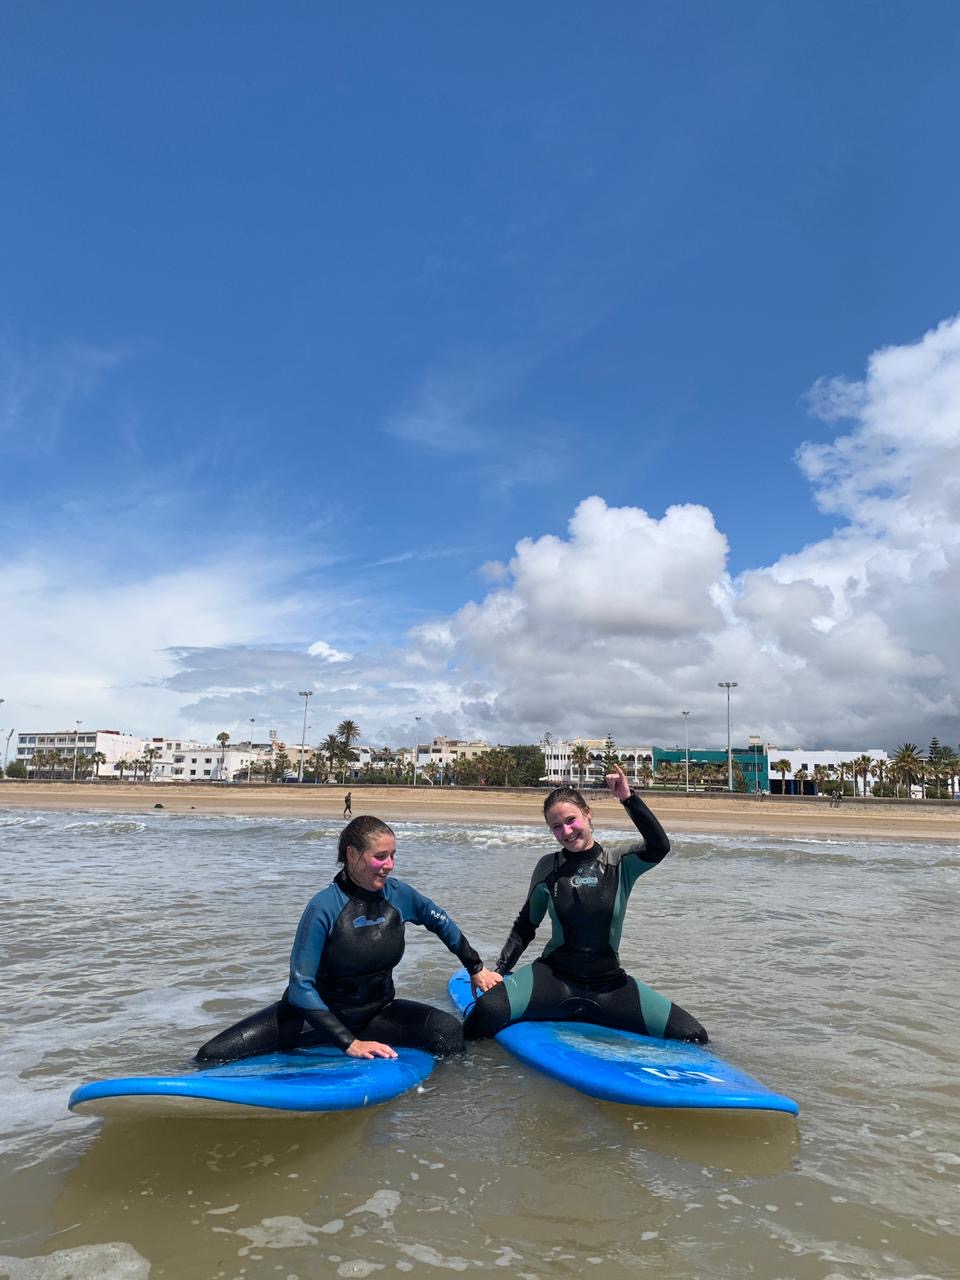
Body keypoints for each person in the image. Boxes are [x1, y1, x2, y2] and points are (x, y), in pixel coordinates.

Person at [197, 814, 500, 1062]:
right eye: (380, 856)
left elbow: (442, 922)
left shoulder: (399, 895)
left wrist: (475, 968)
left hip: (377, 1013)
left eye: (393, 856)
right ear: (353, 856)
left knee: (448, 1033)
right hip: (313, 1019)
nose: (390, 865)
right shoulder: (323, 907)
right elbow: (301, 988)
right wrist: (350, 1044)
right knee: (212, 1055)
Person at [463, 764, 707, 1044]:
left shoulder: (620, 863)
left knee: (693, 1035)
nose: (566, 831)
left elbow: (659, 846)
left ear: (587, 815)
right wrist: (500, 971)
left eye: (571, 820)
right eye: (556, 827)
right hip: (554, 979)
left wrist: (628, 798)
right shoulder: (548, 867)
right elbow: (526, 925)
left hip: (610, 986)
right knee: (485, 1013)